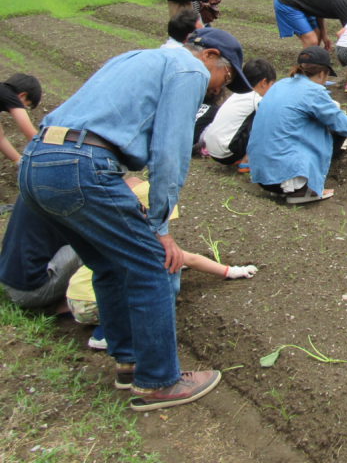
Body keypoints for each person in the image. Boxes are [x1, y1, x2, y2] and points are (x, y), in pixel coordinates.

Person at [12, 27, 250, 411]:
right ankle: (159, 382)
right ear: (209, 56)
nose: (219, 88)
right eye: (225, 76)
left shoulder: (137, 57)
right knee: (154, 265)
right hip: (81, 164)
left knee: (107, 265)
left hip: (39, 159)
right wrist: (160, 227)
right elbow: (170, 152)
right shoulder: (188, 70)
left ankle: (129, 362)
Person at [67, 177, 257, 351]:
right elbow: (189, 258)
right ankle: (105, 335)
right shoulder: (144, 241)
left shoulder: (116, 233)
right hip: (94, 304)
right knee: (144, 294)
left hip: (74, 298)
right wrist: (231, 271)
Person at [247, 46, 347, 204]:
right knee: (336, 130)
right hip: (285, 180)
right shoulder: (314, 91)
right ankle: (306, 188)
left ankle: (299, 180)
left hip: (261, 175)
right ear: (322, 73)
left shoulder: (280, 84)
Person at [0, 198, 81, 310]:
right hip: (30, 292)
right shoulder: (74, 195)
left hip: (7, 280)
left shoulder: (33, 185)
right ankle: (78, 303)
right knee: (96, 245)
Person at [201, 59, 277, 171]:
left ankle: (241, 156)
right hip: (227, 153)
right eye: (272, 85)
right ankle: (247, 160)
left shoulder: (237, 94)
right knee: (266, 121)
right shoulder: (256, 98)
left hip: (212, 149)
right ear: (264, 82)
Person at [274, 0, 347, 51]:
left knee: (318, 36)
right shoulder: (346, 5)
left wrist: (324, 35)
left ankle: (313, 63)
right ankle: (305, 68)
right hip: (288, 2)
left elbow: (319, 9)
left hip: (304, 3)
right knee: (311, 41)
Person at [0, 73, 42, 165]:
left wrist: (19, 160)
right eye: (27, 105)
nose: (24, 108)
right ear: (22, 96)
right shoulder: (11, 97)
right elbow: (30, 133)